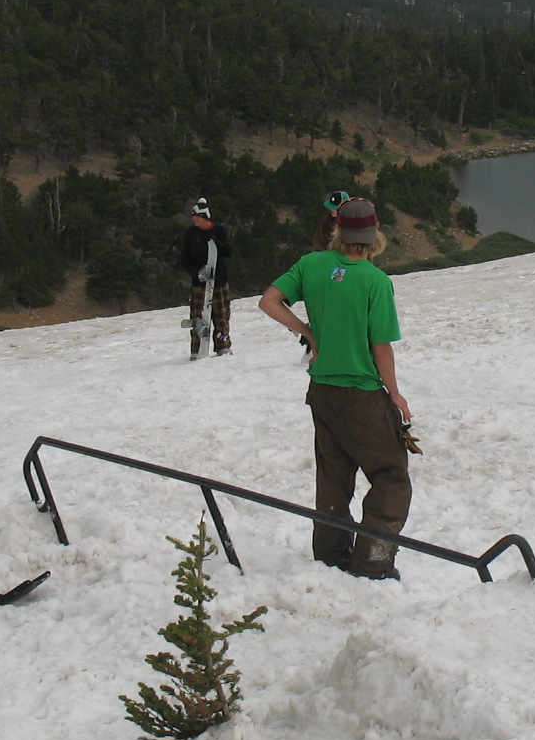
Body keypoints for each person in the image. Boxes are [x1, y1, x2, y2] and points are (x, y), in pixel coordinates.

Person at [258, 197, 412, 580]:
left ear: (339, 230)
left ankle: (330, 556)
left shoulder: (311, 265)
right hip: (361, 393)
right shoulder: (375, 281)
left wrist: (309, 333)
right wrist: (394, 394)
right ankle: (373, 563)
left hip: (322, 392)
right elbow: (381, 347)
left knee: (333, 476)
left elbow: (268, 301)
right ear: (375, 234)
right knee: (391, 477)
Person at [176, 198, 234, 358]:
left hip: (219, 280)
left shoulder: (219, 231)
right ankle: (197, 348)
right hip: (199, 282)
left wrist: (216, 242)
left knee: (221, 314)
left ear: (205, 217)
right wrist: (195, 273)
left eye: (198, 216)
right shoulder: (190, 234)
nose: (195, 219)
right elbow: (184, 258)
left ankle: (222, 345)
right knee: (198, 315)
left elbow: (228, 251)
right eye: (193, 216)